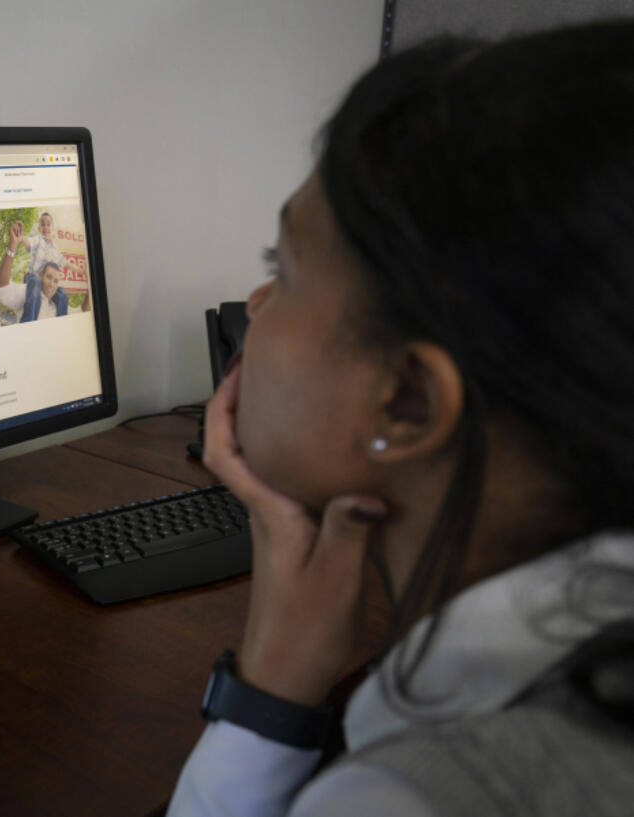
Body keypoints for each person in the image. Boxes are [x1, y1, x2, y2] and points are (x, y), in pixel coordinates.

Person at [168, 21, 634, 817]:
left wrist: (262, 709)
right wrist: (283, 671)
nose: (253, 307)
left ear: (409, 400)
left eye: (280, 271)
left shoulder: (418, 796)